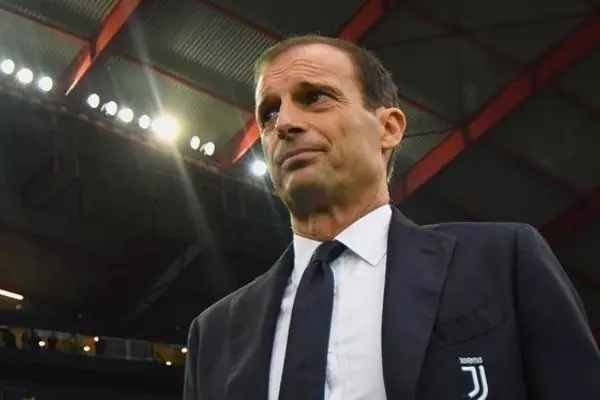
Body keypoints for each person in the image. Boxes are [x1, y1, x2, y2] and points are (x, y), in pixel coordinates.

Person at [183, 35, 600, 400]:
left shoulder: (502, 261)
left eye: (315, 98)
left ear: (389, 128)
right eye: (269, 113)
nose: (285, 124)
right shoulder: (214, 333)